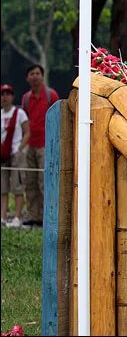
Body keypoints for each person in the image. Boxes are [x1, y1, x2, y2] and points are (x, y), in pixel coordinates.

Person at [20, 64, 59, 228]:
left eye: (37, 73)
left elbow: (58, 118)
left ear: (42, 76)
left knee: (45, 182)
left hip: (46, 145)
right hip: (30, 144)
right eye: (31, 74)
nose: (35, 76)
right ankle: (34, 215)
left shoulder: (51, 95)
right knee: (30, 182)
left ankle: (48, 216)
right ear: (27, 78)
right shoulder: (26, 98)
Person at [1, 84, 29, 227]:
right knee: (3, 187)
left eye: (7, 93)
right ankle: (3, 216)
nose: (4, 97)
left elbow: (27, 132)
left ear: (12, 96)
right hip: (2, 154)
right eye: (2, 94)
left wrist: (20, 148)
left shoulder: (19, 113)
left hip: (16, 153)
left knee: (17, 186)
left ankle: (17, 217)